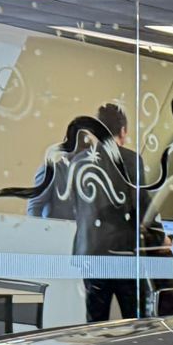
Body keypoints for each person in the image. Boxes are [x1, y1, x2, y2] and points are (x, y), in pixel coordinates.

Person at [29, 100, 144, 322]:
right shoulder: (127, 160)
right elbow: (139, 205)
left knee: (96, 317)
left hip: (89, 249)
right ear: (123, 131)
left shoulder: (81, 163)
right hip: (115, 250)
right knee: (131, 318)